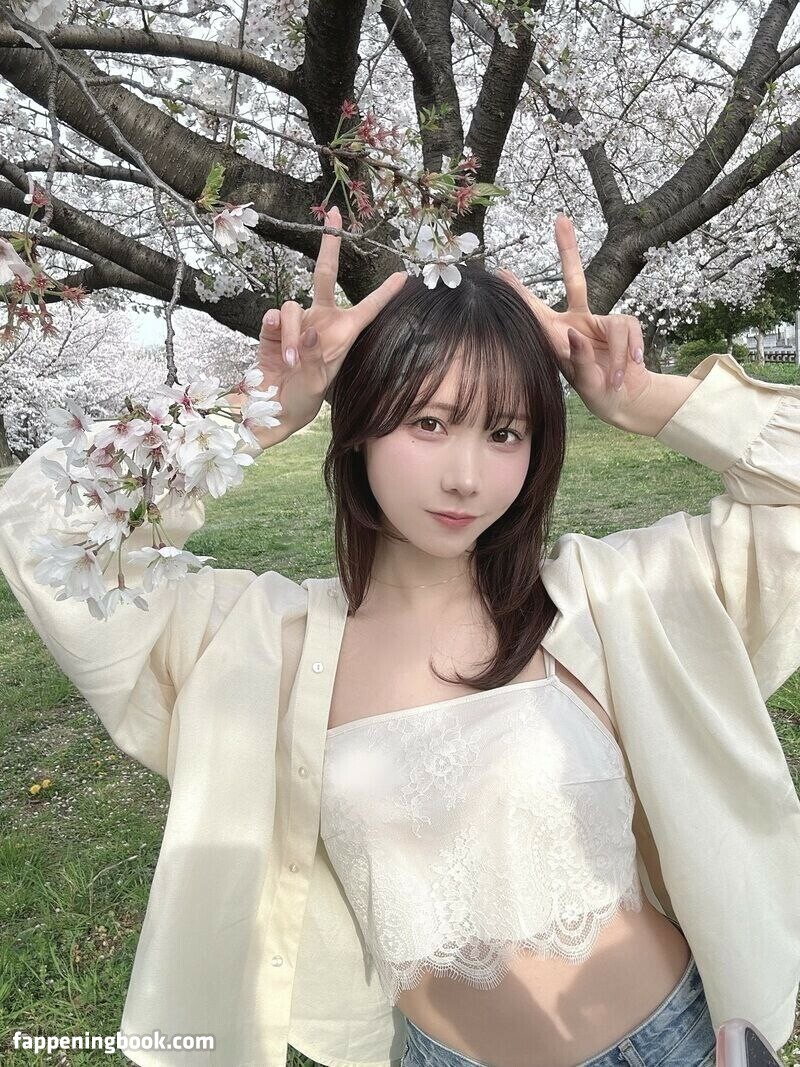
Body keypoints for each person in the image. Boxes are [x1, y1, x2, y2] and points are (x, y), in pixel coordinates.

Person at [0, 205, 797, 1067]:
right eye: (429, 422)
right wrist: (253, 411)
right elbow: (41, 532)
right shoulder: (262, 643)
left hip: (670, 1044)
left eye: (504, 432)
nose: (466, 476)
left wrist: (647, 400)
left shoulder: (612, 600)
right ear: (362, 426)